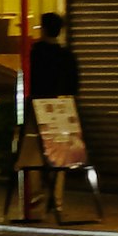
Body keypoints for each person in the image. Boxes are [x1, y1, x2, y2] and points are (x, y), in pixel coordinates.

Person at [20, 12, 97, 223]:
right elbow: (75, 85)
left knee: (33, 151)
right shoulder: (67, 55)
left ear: (43, 29)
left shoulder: (35, 53)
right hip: (63, 110)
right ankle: (57, 199)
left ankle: (36, 192)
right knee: (61, 153)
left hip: (38, 108)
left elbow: (27, 81)